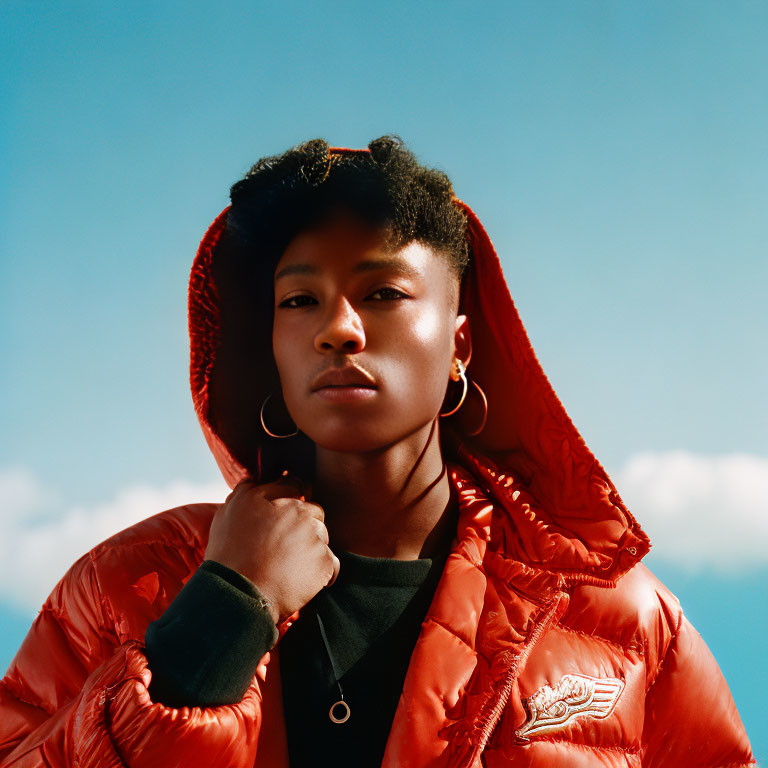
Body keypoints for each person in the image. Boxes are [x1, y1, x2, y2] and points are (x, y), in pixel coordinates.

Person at [0, 137, 755, 767]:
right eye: (299, 301)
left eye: (383, 293)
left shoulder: (626, 621)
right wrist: (223, 614)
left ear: (460, 345)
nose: (338, 329)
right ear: (272, 345)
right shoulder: (126, 584)